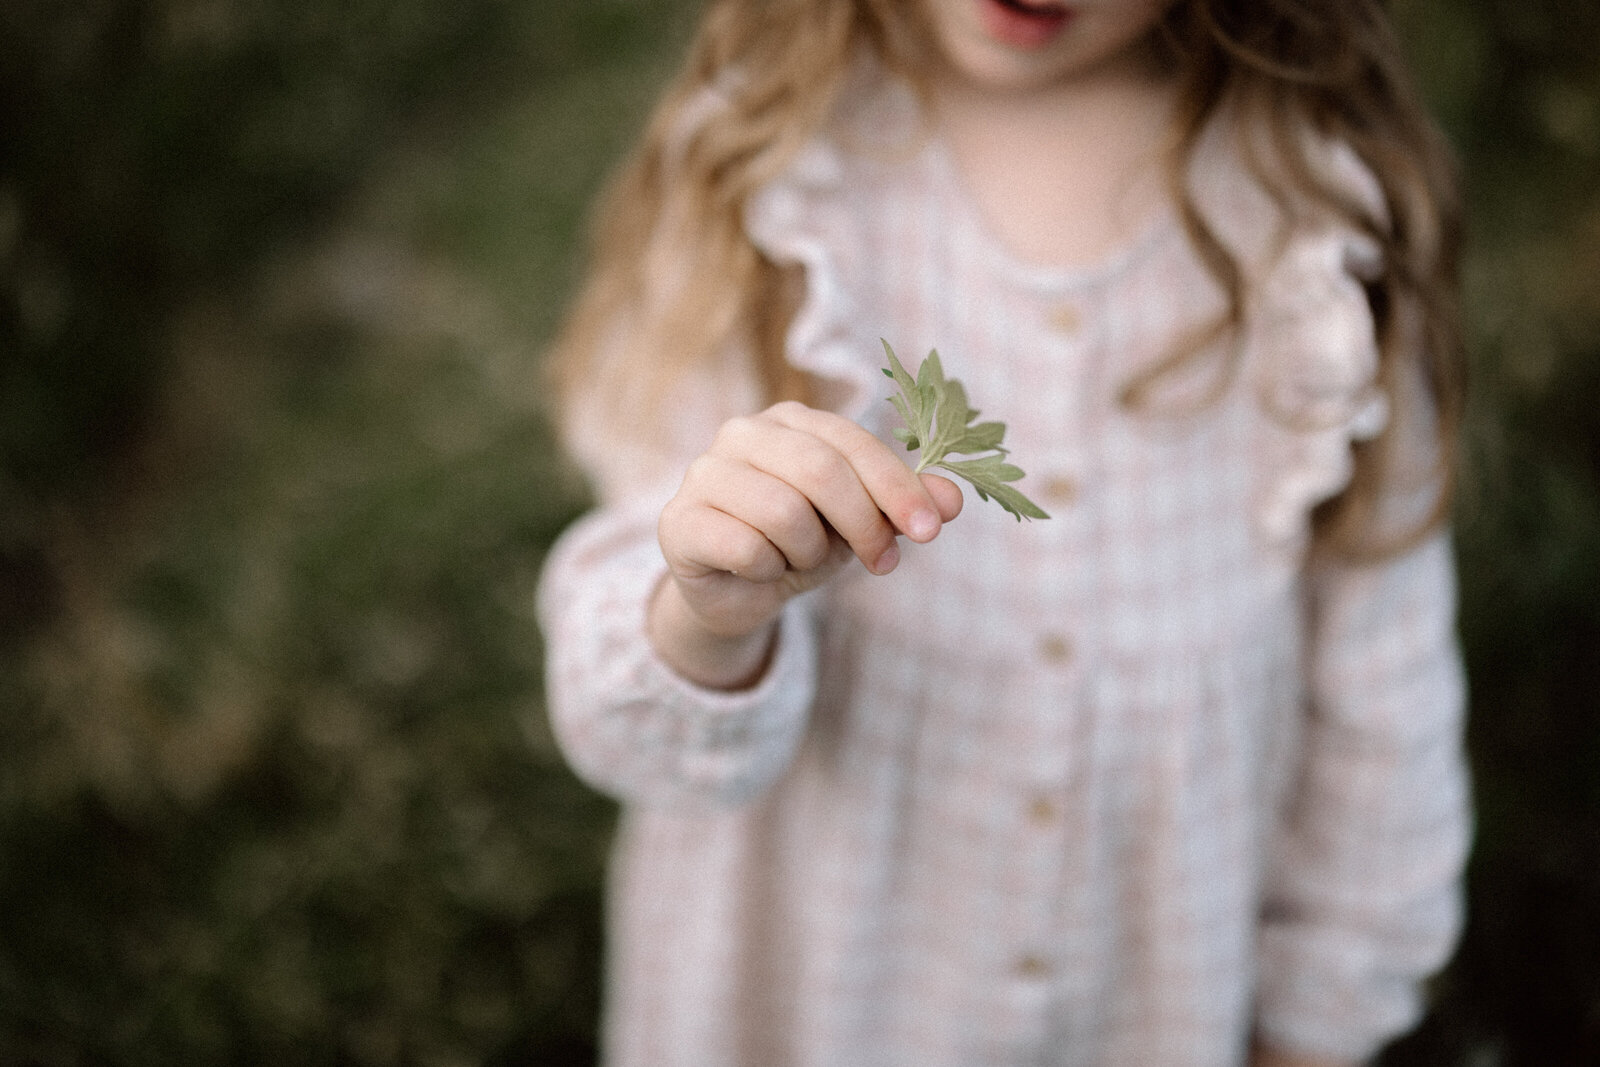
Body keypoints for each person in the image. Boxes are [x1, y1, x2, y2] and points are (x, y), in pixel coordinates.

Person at [535, 1, 1471, 1064]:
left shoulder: (1314, 221)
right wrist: (711, 610)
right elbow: (624, 724)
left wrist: (1318, 1021)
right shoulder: (774, 171)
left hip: (1150, 991)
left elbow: (1382, 692)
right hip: (817, 973)